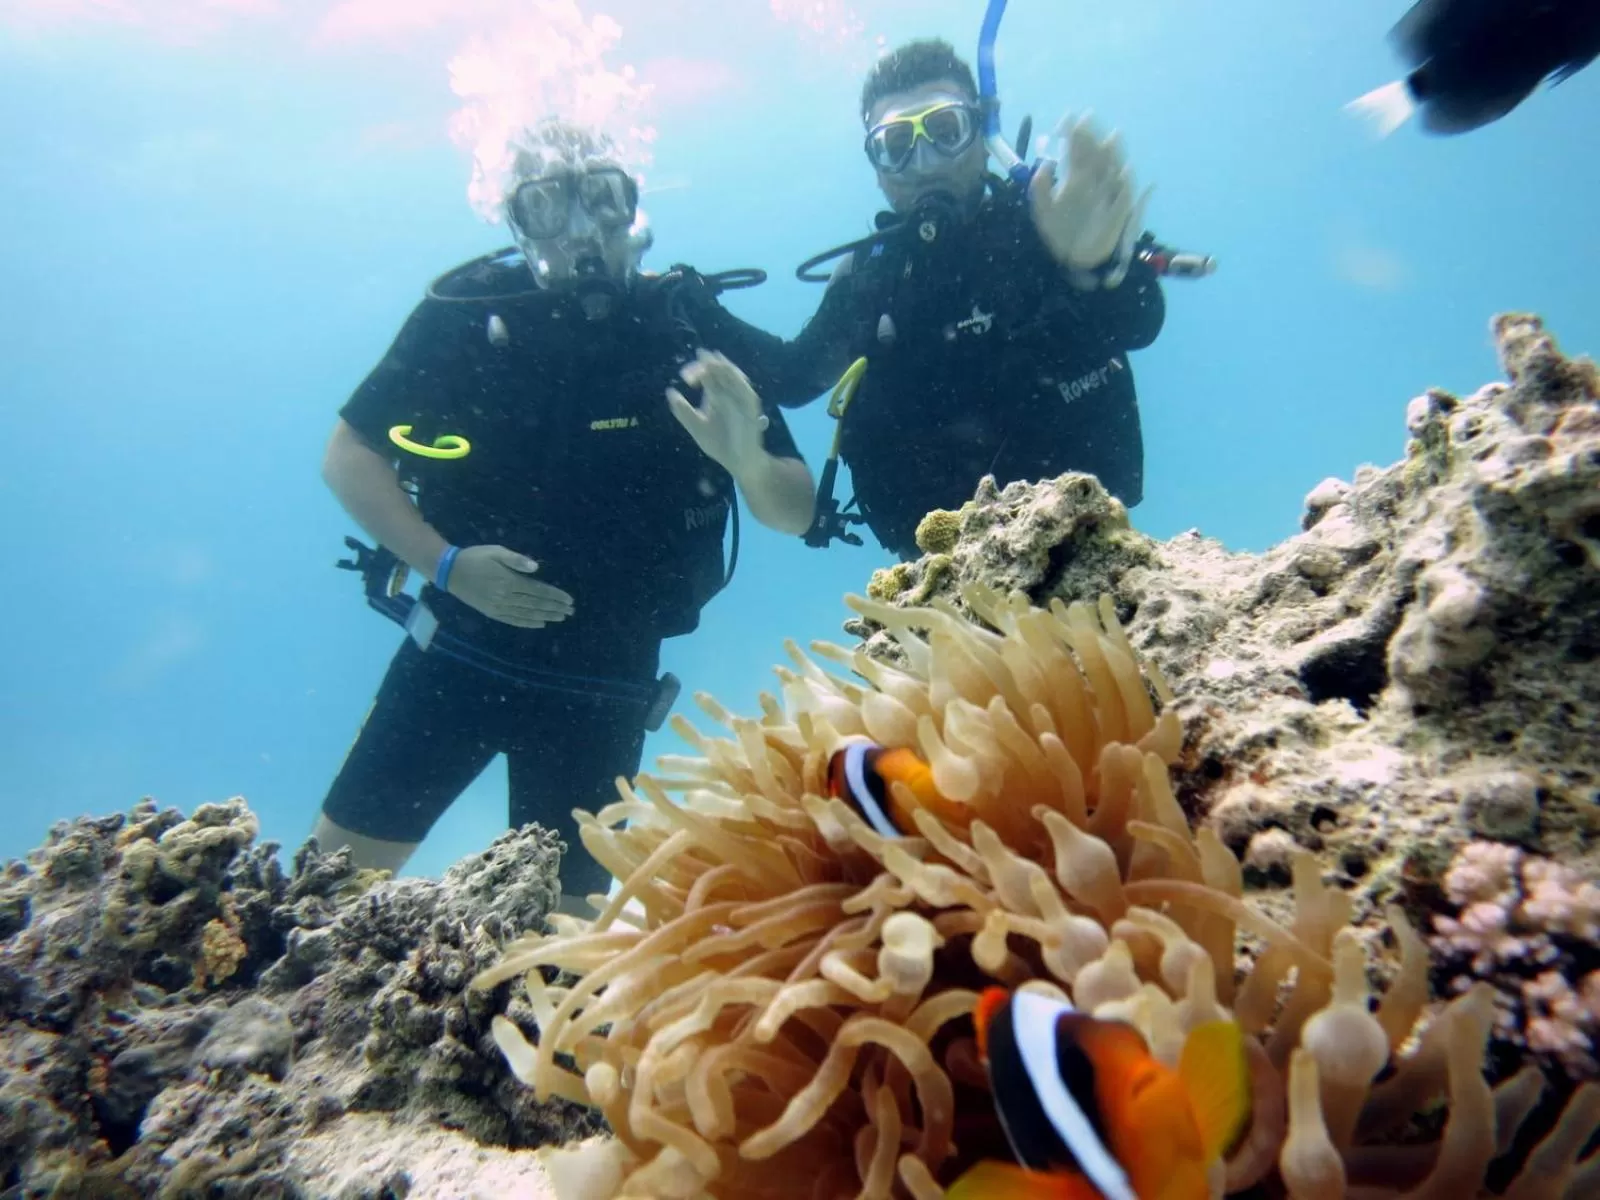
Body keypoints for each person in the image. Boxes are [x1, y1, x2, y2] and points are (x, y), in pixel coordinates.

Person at [311, 121, 816, 914]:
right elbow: (348, 454)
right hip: (456, 655)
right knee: (325, 903)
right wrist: (445, 566)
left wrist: (747, 457)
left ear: (634, 209)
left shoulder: (684, 324)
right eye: (548, 207)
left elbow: (794, 511)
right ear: (515, 221)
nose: (584, 234)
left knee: (558, 967)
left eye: (604, 202)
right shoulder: (463, 316)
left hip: (604, 681)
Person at [785, 38, 1172, 561]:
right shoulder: (867, 284)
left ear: (982, 134)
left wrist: (1095, 265)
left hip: (1092, 552)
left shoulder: (1047, 224)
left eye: (945, 130)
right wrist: (688, 307)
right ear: (877, 168)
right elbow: (792, 378)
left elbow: (1140, 321)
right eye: (896, 143)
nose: (923, 163)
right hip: (936, 582)